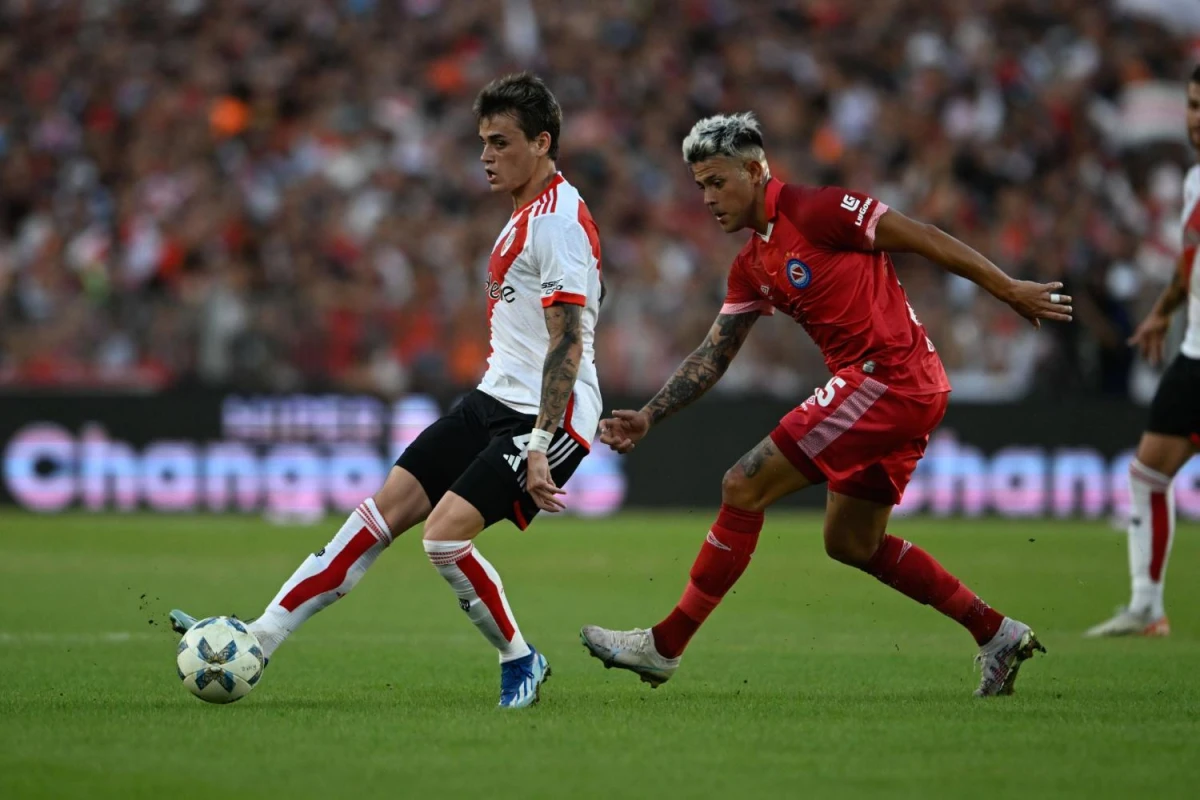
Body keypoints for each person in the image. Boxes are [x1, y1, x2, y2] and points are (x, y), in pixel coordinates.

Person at [580, 112, 1072, 697]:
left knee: (742, 485)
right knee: (851, 543)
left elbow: (925, 238)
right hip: (907, 387)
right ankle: (996, 633)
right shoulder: (752, 264)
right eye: (700, 187)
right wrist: (650, 414)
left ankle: (664, 646)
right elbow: (716, 353)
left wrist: (1008, 289)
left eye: (718, 182)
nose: (708, 199)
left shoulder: (818, 210)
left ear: (757, 170)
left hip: (886, 378)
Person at [171, 73, 605, 709]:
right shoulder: (526, 213)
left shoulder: (556, 223)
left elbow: (568, 342)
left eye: (501, 142)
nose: (485, 154)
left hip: (549, 415)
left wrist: (540, 442)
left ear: (542, 143)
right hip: (496, 398)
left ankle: (521, 658)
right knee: (379, 514)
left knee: (445, 537)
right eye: (482, 141)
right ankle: (260, 636)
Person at [1086, 67, 1200, 639]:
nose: (1196, 119)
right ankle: (1147, 607)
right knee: (1148, 473)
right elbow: (1190, 258)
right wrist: (1163, 310)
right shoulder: (1193, 181)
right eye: (1193, 106)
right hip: (1196, 354)